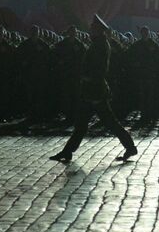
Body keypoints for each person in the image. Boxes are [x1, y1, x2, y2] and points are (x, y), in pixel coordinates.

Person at [50, 15, 138, 164]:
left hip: (95, 91)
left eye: (92, 27)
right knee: (81, 125)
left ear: (98, 29)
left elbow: (101, 68)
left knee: (110, 123)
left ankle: (130, 147)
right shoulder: (98, 43)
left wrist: (89, 78)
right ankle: (67, 151)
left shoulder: (100, 45)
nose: (90, 28)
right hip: (91, 91)